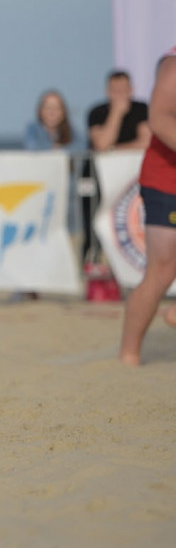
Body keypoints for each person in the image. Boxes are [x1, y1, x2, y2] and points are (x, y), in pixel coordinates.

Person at [119, 51, 176, 366]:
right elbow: (160, 118)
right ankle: (128, 355)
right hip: (168, 179)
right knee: (162, 269)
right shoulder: (174, 65)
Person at [81, 70, 151, 263]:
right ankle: (93, 262)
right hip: (99, 179)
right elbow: (101, 144)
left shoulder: (142, 109)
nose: (120, 94)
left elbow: (146, 141)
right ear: (107, 91)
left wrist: (115, 149)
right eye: (115, 90)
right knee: (95, 222)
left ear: (131, 89)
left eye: (124, 89)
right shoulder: (97, 112)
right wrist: (117, 113)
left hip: (131, 182)